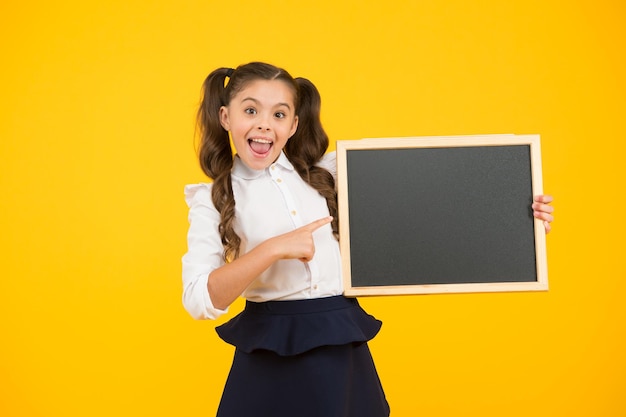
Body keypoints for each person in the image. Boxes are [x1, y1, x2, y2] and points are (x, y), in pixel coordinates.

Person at [181, 62, 554, 417]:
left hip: (341, 347)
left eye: (278, 115)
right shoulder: (211, 197)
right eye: (251, 111)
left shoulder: (330, 173)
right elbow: (200, 300)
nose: (264, 125)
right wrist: (273, 249)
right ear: (225, 116)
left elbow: (434, 207)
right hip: (269, 351)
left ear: (293, 125)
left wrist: (520, 218)